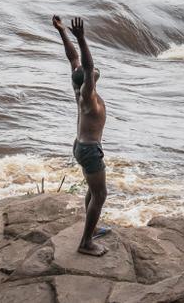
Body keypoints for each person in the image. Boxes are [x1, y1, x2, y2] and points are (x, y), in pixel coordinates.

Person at [53, 15, 109, 257]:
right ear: (88, 80)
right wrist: (82, 38)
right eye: (92, 72)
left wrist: (62, 32)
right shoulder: (88, 97)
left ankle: (91, 229)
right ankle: (86, 243)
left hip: (81, 146)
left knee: (92, 190)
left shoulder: (78, 86)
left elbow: (74, 58)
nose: (93, 71)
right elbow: (86, 65)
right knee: (100, 194)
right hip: (89, 150)